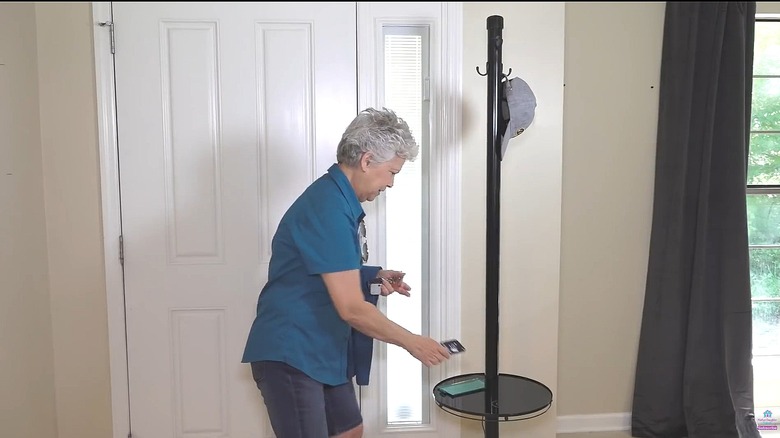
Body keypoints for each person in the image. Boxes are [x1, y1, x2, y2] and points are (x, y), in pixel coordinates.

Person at [241, 107, 451, 438]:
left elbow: (320, 265)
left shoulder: (336, 199)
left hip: (321, 347)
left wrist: (371, 276)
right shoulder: (328, 208)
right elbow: (352, 309)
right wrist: (412, 342)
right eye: (391, 172)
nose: (391, 183)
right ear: (367, 161)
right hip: (293, 351)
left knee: (349, 431)